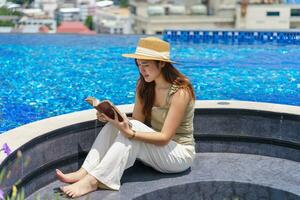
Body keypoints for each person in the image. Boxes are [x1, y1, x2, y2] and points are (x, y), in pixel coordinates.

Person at [56, 37, 196, 198]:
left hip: (178, 155)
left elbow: (164, 138)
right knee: (113, 126)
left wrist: (132, 134)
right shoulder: (144, 85)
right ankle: (84, 172)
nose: (142, 70)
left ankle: (94, 181)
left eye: (146, 65)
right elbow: (137, 120)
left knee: (132, 129)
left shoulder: (181, 92)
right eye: (139, 64)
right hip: (155, 150)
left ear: (162, 63)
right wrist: (112, 118)